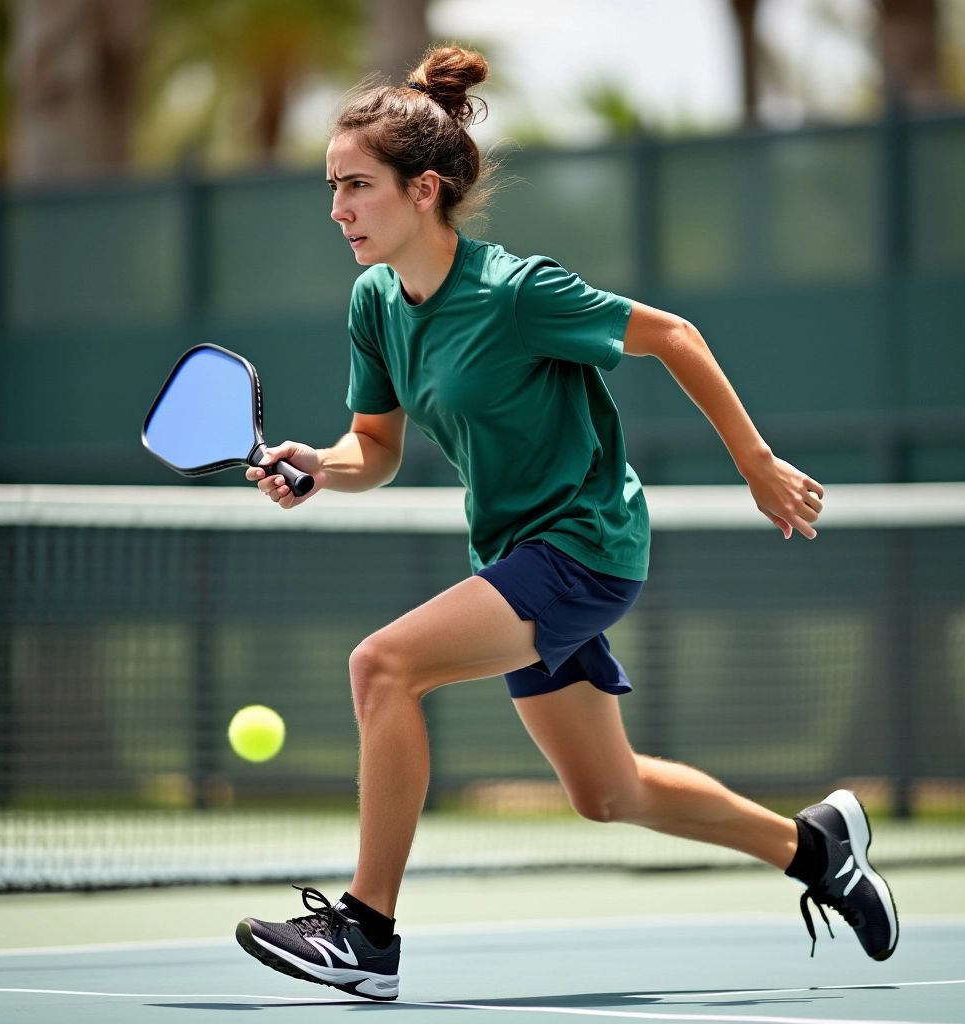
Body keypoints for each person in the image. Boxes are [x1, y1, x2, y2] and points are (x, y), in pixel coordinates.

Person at [234, 45, 898, 1002]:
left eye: (355, 187)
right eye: (332, 187)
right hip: (515, 553)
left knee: (382, 665)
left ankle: (367, 932)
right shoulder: (376, 302)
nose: (337, 209)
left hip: (585, 545)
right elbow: (371, 448)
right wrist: (318, 467)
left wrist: (756, 464)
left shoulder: (516, 292)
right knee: (606, 792)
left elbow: (675, 334)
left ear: (423, 190)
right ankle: (816, 850)